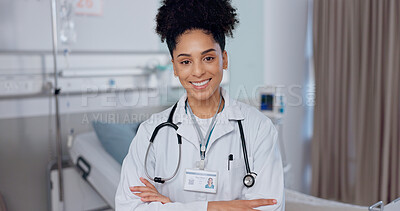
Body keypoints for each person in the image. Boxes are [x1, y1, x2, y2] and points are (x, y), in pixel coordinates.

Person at [115, 0, 284, 210]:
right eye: (185, 61)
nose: (197, 72)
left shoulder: (258, 128)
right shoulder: (151, 132)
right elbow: (129, 207)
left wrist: (172, 206)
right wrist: (214, 207)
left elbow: (269, 207)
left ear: (224, 59)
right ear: (175, 67)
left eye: (208, 58)